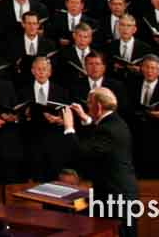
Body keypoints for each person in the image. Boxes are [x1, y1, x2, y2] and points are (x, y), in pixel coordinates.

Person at [55, 90, 135, 226]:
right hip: (112, 194)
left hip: (115, 197)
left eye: (89, 103)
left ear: (98, 106)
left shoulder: (109, 129)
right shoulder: (114, 122)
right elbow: (98, 135)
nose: (87, 106)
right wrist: (85, 118)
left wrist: (69, 127)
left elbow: (81, 153)